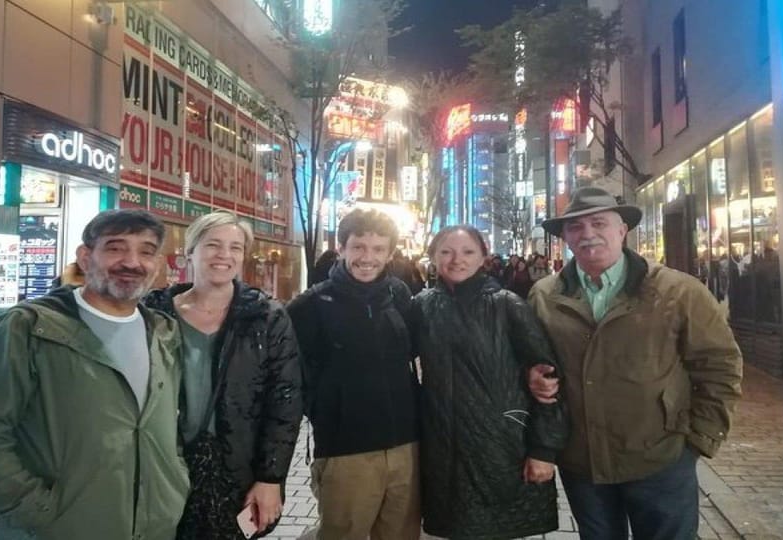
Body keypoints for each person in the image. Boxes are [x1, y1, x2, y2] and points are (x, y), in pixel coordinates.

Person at [0, 209, 189, 539]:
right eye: (115, 247)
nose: (132, 262)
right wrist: (39, 512)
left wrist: (175, 484)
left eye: (146, 251)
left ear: (157, 264)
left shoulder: (163, 334)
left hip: (152, 528)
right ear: (85, 258)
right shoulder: (27, 330)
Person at [528, 187, 743, 539]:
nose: (588, 235)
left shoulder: (678, 291)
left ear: (622, 229)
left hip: (660, 456)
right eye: (576, 228)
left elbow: (719, 365)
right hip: (583, 460)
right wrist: (532, 376)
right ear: (565, 237)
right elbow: (533, 358)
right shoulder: (545, 296)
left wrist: (699, 440)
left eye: (599, 223)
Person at [143, 211, 302, 539]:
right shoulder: (154, 313)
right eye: (212, 245)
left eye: (235, 247)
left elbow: (284, 401)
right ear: (191, 250)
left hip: (238, 467)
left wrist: (271, 478)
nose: (224, 255)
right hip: (164, 465)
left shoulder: (265, 316)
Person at [411, 225, 568, 539]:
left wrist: (544, 450)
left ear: (483, 257)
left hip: (501, 448)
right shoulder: (422, 306)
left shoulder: (506, 304)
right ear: (433, 257)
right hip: (444, 449)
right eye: (446, 252)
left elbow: (548, 379)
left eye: (468, 252)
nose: (457, 260)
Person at [286, 208, 420, 540]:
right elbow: (288, 376)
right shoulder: (311, 305)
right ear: (342, 248)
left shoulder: (399, 295)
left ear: (390, 254)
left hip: (406, 444)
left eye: (378, 250)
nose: (367, 258)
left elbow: (413, 353)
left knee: (402, 534)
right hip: (346, 449)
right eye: (358, 247)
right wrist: (326, 408)